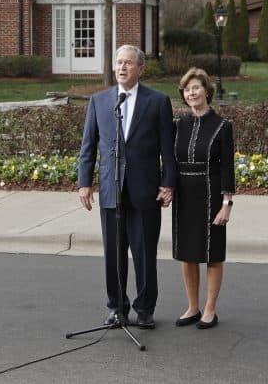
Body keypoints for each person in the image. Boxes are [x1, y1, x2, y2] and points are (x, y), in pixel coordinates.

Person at [77, 45, 177, 328]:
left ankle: (145, 309)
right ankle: (116, 307)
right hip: (111, 189)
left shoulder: (157, 102)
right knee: (113, 253)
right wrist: (84, 182)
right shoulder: (99, 101)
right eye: (119, 62)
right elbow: (88, 147)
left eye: (128, 63)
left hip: (145, 190)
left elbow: (167, 149)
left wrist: (168, 183)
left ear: (140, 68)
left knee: (144, 253)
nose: (122, 68)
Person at [172, 68, 235, 330]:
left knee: (212, 254)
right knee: (187, 254)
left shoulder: (222, 126)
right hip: (184, 194)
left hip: (210, 193)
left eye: (195, 88)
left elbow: (228, 168)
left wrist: (227, 205)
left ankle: (210, 308)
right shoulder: (178, 125)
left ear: (206, 91)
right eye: (187, 90)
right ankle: (192, 307)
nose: (191, 93)